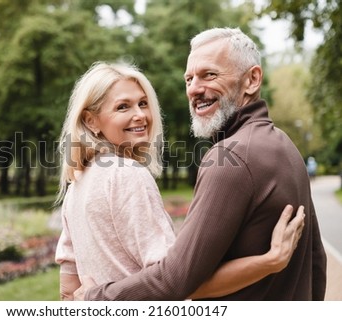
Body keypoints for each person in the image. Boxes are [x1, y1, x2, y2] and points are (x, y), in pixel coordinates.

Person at [76, 28, 327, 301]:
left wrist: (95, 299)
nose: (194, 89)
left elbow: (175, 280)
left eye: (209, 75)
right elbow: (316, 262)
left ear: (252, 80)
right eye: (189, 79)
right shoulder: (285, 146)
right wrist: (269, 262)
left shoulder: (232, 157)